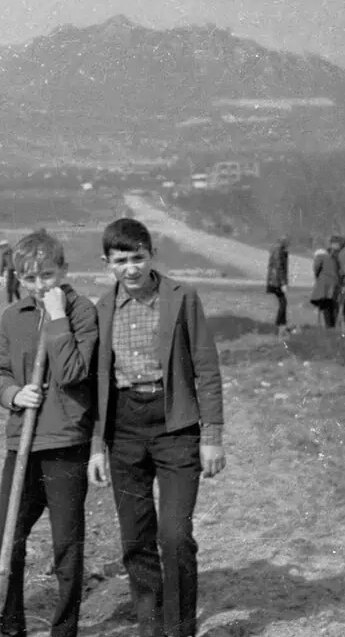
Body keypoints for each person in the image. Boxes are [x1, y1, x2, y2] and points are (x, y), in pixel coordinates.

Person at [88, 218, 225, 637]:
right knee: (136, 538)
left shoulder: (182, 298)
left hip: (175, 425)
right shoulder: (102, 308)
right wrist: (97, 446)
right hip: (125, 429)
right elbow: (96, 382)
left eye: (138, 258)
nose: (131, 269)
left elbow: (206, 367)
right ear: (107, 262)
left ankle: (180, 628)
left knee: (175, 535)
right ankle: (150, 623)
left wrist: (212, 436)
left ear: (151, 255)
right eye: (121, 260)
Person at [0, 229, 99, 637]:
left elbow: (72, 372)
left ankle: (64, 629)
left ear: (64, 270)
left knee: (66, 545)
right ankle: (11, 625)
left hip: (65, 441)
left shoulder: (82, 311)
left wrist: (57, 318)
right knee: (5, 538)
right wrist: (15, 394)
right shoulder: (13, 317)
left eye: (47, 275)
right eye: (30, 279)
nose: (39, 286)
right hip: (24, 442)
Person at [310, 244, 339, 328]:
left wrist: (317, 277)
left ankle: (328, 326)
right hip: (334, 284)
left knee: (326, 305)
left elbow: (316, 269)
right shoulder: (333, 259)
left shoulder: (320, 257)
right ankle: (332, 325)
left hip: (325, 285)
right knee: (332, 305)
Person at [266, 236, 290, 337]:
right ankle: (279, 326)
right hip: (276, 282)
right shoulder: (278, 252)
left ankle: (281, 326)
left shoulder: (278, 251)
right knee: (283, 303)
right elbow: (279, 268)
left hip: (274, 281)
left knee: (283, 302)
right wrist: (283, 283)